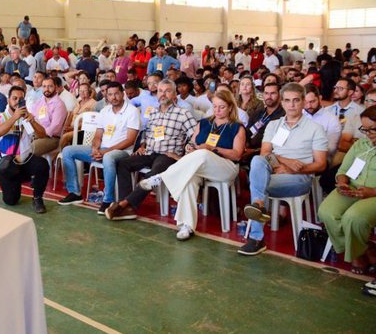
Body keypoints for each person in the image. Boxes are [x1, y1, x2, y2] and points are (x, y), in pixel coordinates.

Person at [137, 89, 245, 240]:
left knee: (204, 153)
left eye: (222, 107)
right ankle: (186, 226)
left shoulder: (237, 127)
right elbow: (192, 142)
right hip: (199, 166)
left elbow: (237, 154)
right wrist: (190, 147)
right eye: (214, 106)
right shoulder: (204, 123)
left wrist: (212, 148)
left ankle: (161, 177)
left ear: (230, 107)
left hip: (225, 167)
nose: (217, 110)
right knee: (190, 178)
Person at [240, 83, 328, 256]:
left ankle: (256, 235)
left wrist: (294, 170)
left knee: (258, 185)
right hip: (274, 171)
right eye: (287, 100)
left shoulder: (315, 129)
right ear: (282, 102)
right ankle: (259, 206)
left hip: (299, 177)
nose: (291, 105)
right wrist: (284, 162)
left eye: (296, 100)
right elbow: (266, 153)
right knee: (257, 160)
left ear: (303, 101)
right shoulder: (274, 125)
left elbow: (321, 164)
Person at [106, 79, 198, 220]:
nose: (163, 94)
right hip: (149, 152)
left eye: (167, 91)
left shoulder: (183, 113)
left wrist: (184, 153)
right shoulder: (153, 113)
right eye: (160, 91)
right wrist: (143, 145)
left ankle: (123, 204)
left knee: (153, 174)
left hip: (167, 155)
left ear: (174, 94)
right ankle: (129, 207)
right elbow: (147, 133)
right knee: (123, 164)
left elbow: (195, 136)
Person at [59, 81, 140, 212]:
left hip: (122, 151)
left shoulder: (132, 111)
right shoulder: (104, 111)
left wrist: (105, 151)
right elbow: (98, 135)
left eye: (116, 94)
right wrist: (95, 148)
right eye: (110, 95)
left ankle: (107, 200)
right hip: (102, 150)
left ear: (123, 94)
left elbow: (130, 140)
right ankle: (74, 193)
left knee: (108, 157)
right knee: (68, 151)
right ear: (106, 96)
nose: (113, 97)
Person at [318, 107, 376, 274]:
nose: (367, 133)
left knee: (354, 217)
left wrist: (371, 192)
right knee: (326, 212)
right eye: (364, 129)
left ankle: (356, 254)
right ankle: (364, 250)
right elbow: (343, 170)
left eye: (372, 129)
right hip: (352, 188)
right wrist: (342, 182)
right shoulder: (360, 144)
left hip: (373, 194)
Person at [0, 86, 49, 214]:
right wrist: (14, 118)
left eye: (20, 99)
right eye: (14, 98)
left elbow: (43, 135)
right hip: (8, 165)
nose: (17, 101)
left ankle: (37, 197)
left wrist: (32, 121)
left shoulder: (27, 118)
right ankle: (15, 185)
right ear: (8, 100)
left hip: (25, 162)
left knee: (42, 164)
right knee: (11, 201)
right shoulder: (0, 117)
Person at [25, 77, 67, 157]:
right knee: (19, 143)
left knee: (30, 149)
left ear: (56, 87)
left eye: (50, 86)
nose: (46, 89)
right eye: (44, 86)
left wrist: (39, 134)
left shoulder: (59, 104)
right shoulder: (40, 101)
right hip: (36, 133)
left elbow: (54, 127)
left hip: (51, 138)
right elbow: (31, 116)